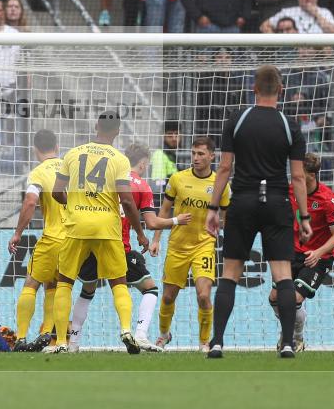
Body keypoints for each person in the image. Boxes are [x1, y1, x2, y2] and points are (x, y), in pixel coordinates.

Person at [205, 65, 311, 359]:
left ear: (254, 89)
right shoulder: (290, 125)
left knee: (230, 273)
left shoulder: (237, 119)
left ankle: (217, 342)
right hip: (277, 202)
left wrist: (213, 208)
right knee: (283, 274)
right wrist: (304, 216)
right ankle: (288, 343)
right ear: (281, 90)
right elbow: (298, 176)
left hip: (243, 201)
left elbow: (224, 168)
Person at [66, 142, 189, 353]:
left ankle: (73, 343)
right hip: (116, 245)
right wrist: (176, 220)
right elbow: (152, 222)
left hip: (89, 240)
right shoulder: (141, 186)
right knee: (149, 288)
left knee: (87, 290)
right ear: (143, 164)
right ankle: (139, 334)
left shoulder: (108, 177)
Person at [50, 111, 149, 354]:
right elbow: (127, 200)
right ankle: (126, 330)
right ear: (117, 131)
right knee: (119, 282)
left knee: (65, 282)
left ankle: (61, 342)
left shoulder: (73, 154)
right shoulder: (120, 159)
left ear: (96, 126)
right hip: (107, 228)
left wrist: (73, 204)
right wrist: (139, 232)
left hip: (77, 225)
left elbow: (56, 192)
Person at [152, 136, 231, 352]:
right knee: (168, 297)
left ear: (212, 156)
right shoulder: (178, 179)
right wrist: (156, 239)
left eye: (201, 154)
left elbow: (226, 216)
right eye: (193, 153)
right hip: (177, 246)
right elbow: (164, 210)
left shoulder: (220, 185)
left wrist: (222, 229)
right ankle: (163, 334)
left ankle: (204, 342)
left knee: (204, 295)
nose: (195, 158)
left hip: (204, 245)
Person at [268, 153, 334, 352]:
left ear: (311, 175)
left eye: (299, 174)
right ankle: (290, 329)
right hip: (290, 253)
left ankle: (295, 337)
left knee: (293, 298)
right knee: (275, 298)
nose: (294, 177)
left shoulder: (328, 199)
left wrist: (318, 252)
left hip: (317, 258)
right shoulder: (289, 190)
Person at [8, 129, 64, 352]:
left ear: (35, 149)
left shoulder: (38, 173)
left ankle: (21, 337)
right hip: (74, 239)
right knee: (55, 285)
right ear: (57, 146)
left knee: (31, 284)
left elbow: (30, 202)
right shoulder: (71, 168)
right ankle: (46, 333)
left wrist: (17, 233)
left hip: (53, 237)